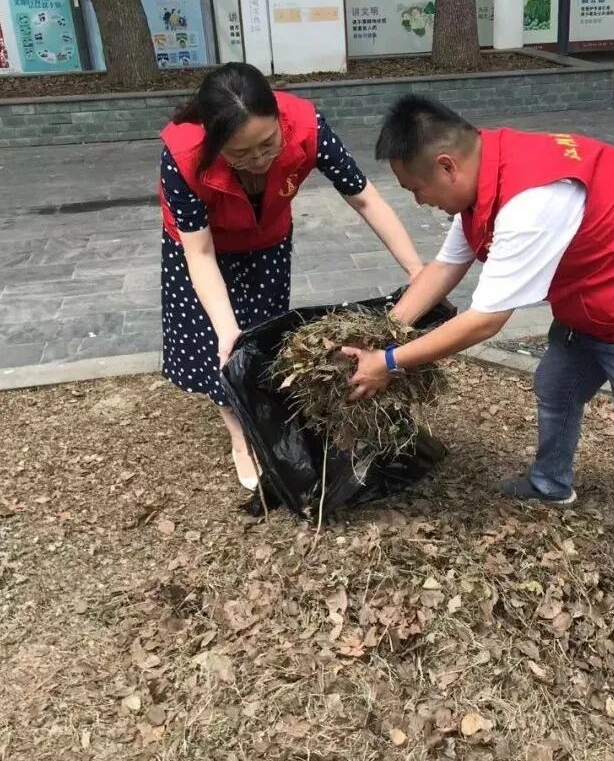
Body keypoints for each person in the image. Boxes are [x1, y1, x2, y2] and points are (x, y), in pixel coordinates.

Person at [342, 95, 614, 661]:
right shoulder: (485, 178)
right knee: (555, 388)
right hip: (591, 300)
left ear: (447, 166)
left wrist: (389, 364)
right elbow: (445, 268)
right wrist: (386, 333)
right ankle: (551, 482)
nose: (419, 201)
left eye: (417, 189)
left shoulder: (531, 199)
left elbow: (484, 321)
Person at [158, 64, 424, 491]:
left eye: (268, 144)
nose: (259, 160)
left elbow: (364, 198)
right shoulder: (183, 155)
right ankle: (239, 432)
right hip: (203, 247)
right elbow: (200, 253)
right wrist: (227, 332)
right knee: (216, 341)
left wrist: (417, 270)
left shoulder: (307, 126)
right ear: (214, 141)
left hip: (266, 239)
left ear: (279, 119)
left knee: (264, 332)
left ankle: (263, 408)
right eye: (240, 153)